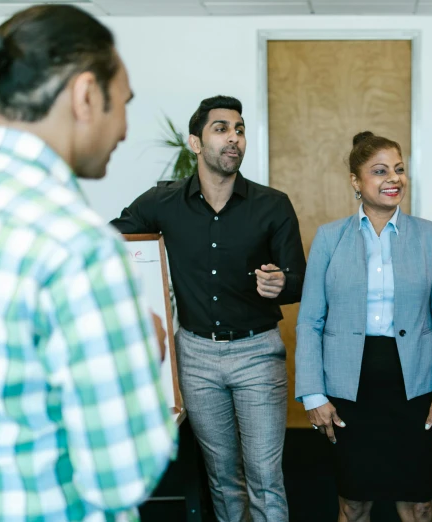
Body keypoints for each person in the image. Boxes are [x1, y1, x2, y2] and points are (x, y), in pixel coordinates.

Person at [0, 5, 176, 520]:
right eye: (122, 103)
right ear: (84, 96)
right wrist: (140, 352)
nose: (123, 128)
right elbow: (120, 474)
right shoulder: (80, 248)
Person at [110, 95, 306, 522]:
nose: (233, 138)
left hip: (258, 354)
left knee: (264, 475)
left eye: (238, 129)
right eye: (221, 129)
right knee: (221, 476)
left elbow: (300, 281)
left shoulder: (273, 205)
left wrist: (281, 283)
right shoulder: (162, 203)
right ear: (195, 143)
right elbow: (110, 242)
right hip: (195, 356)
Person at [295, 131, 432, 522]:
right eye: (380, 171)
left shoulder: (431, 236)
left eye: (399, 169)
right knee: (353, 505)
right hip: (348, 389)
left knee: (418, 505)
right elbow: (310, 320)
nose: (394, 178)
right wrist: (312, 393)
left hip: (414, 386)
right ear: (356, 181)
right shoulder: (329, 238)